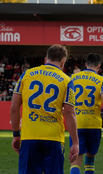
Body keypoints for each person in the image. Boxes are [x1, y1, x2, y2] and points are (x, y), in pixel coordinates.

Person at [10, 44, 79, 174]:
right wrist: (75, 142)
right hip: (54, 138)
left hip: (29, 136)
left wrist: (15, 134)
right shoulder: (67, 80)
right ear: (63, 62)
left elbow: (14, 107)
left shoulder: (26, 75)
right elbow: (70, 113)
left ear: (45, 58)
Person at [69, 53, 103, 174]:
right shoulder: (102, 79)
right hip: (94, 124)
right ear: (99, 66)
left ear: (85, 64)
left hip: (77, 123)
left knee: (75, 161)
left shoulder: (72, 78)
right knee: (90, 161)